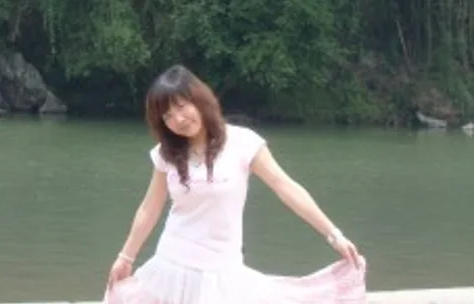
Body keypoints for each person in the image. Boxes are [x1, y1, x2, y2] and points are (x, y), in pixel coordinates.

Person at [104, 65, 367, 304]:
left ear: (200, 100)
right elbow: (149, 208)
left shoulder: (243, 142)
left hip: (222, 270)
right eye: (168, 116)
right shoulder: (167, 153)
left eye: (182, 107)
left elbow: (286, 187)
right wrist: (125, 257)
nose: (178, 120)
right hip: (170, 266)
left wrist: (334, 235)